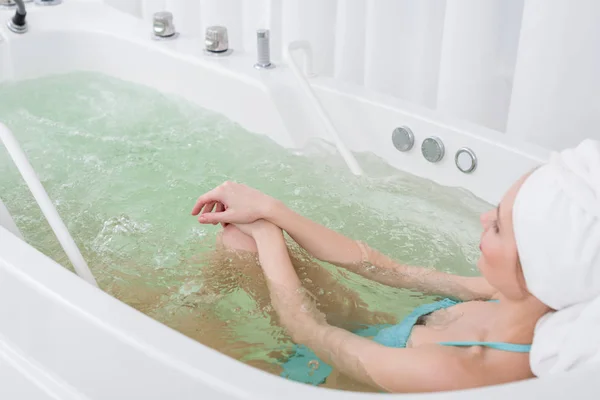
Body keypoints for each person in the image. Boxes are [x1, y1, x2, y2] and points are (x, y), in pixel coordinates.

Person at [191, 139, 600, 393]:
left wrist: (267, 234)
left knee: (241, 243)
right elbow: (387, 269)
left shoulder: (459, 370)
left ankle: (181, 313)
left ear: (532, 268)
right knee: (237, 239)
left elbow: (311, 333)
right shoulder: (511, 297)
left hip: (314, 375)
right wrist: (272, 210)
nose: (481, 220)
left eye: (496, 226)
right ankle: (194, 301)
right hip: (373, 333)